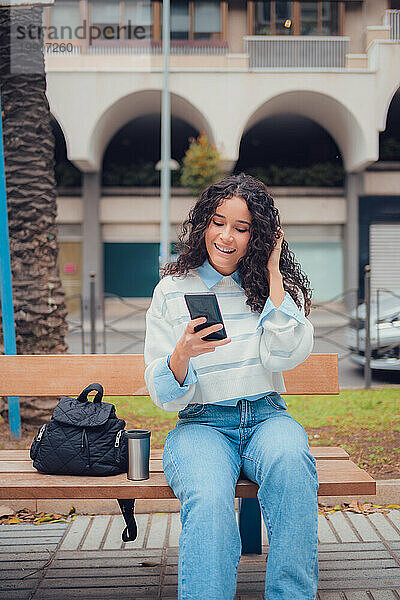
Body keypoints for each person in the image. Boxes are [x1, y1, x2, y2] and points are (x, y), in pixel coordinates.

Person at [144, 173, 319, 600]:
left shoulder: (268, 289)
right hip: (202, 425)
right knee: (207, 497)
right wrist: (182, 353)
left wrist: (274, 273)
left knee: (294, 466)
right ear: (204, 224)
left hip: (265, 417)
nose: (227, 237)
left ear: (256, 236)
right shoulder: (172, 289)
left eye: (242, 229)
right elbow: (163, 394)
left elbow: (286, 354)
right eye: (219, 222)